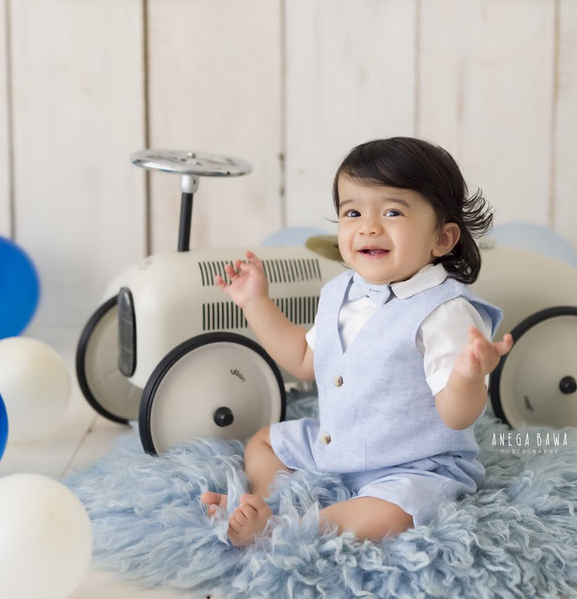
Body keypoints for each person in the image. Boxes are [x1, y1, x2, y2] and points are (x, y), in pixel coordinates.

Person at [202, 136, 513, 546]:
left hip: (413, 464)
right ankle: (267, 501)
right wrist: (255, 302)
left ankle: (288, 530)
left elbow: (457, 416)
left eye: (392, 212)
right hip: (339, 443)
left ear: (442, 238)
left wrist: (467, 377)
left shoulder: (445, 312)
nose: (369, 226)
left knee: (394, 512)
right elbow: (305, 358)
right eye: (353, 212)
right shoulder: (340, 291)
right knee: (264, 442)